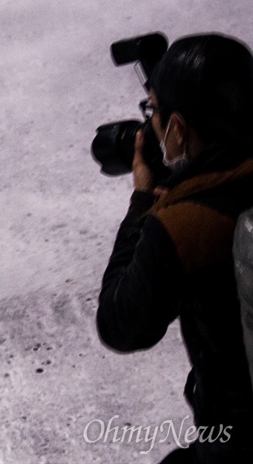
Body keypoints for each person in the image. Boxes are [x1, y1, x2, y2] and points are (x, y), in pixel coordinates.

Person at [96, 33, 253, 463]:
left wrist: (143, 203)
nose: (152, 128)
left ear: (179, 129)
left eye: (158, 117)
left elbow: (120, 325)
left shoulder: (185, 225)